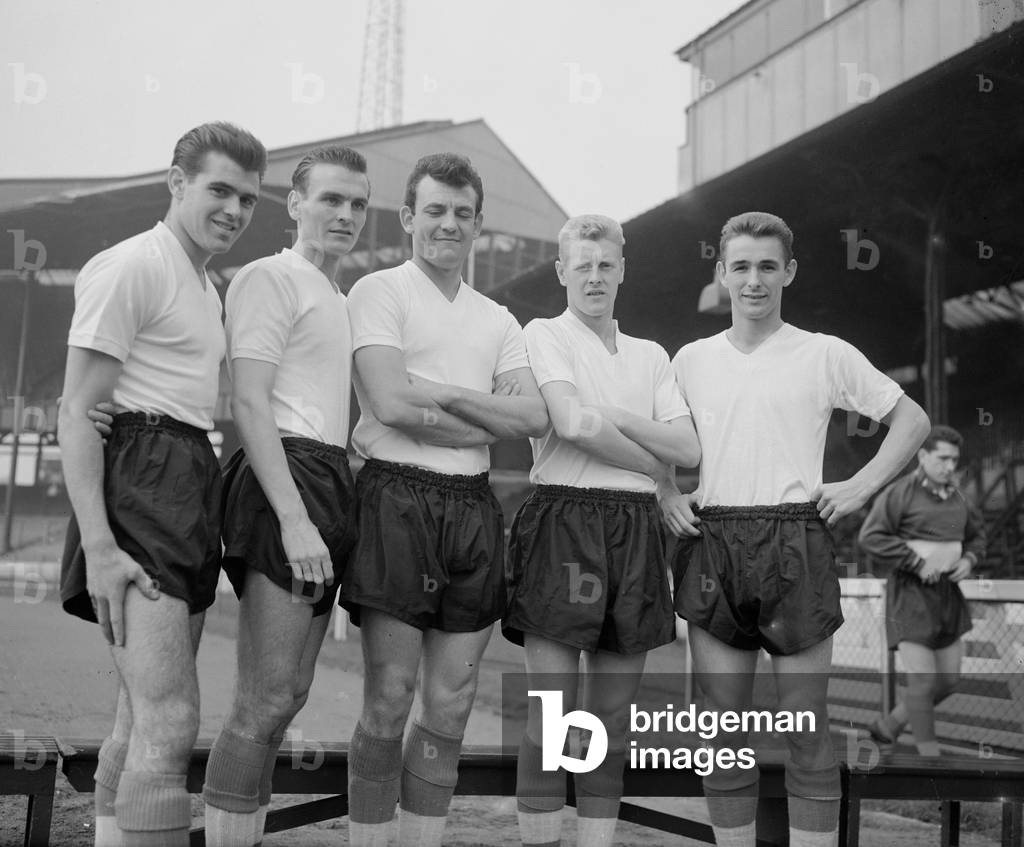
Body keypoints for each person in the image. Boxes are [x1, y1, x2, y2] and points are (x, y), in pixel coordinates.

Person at [660, 211, 930, 847]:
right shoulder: (690, 360)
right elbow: (654, 437)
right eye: (742, 267)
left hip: (794, 543)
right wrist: (665, 489)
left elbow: (912, 421)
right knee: (721, 734)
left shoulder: (824, 352)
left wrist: (861, 486)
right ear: (722, 273)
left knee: (807, 726)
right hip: (713, 540)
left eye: (767, 267)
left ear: (790, 272)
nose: (754, 280)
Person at [58, 122, 266, 847]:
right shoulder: (131, 265)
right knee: (171, 718)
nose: (235, 210)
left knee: (137, 716)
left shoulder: (208, 287)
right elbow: (77, 409)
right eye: (219, 189)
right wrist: (100, 546)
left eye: (247, 197)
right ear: (176, 183)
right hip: (140, 488)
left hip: (187, 476)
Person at [340, 152, 549, 847]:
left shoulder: (500, 318)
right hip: (397, 497)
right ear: (407, 217)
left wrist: (442, 392)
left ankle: (421, 838)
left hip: (473, 502)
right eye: (434, 210)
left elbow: (531, 420)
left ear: (479, 225)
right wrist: (480, 409)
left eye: (462, 213)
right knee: (391, 697)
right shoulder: (379, 291)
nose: (448, 223)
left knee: (452, 701)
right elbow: (391, 403)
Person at [502, 214, 701, 847]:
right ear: (561, 271)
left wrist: (613, 413)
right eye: (581, 265)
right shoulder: (545, 334)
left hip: (635, 531)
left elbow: (689, 446)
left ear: (622, 270)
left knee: (612, 715)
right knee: (552, 713)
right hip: (565, 517)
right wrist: (657, 471)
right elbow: (570, 422)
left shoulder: (651, 356)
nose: (593, 276)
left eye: (605, 265)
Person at [200, 146, 369, 845]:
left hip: (328, 476)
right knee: (266, 695)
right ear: (295, 203)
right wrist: (295, 519)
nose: (346, 214)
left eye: (358, 204)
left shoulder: (336, 293)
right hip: (284, 483)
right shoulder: (271, 277)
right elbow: (248, 398)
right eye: (331, 199)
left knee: (292, 693)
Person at [859, 424, 984, 757]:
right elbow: (870, 537)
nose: (950, 467)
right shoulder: (899, 493)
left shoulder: (959, 497)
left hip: (948, 596)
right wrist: (915, 561)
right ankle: (931, 759)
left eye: (954, 460)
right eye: (943, 458)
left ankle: (888, 727)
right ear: (923, 455)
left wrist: (970, 559)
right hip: (910, 597)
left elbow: (977, 536)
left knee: (949, 681)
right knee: (924, 681)